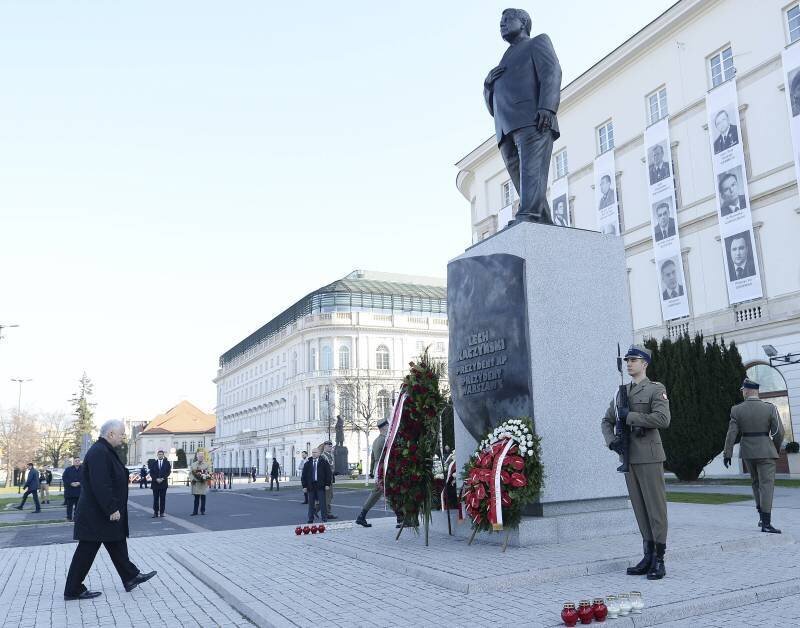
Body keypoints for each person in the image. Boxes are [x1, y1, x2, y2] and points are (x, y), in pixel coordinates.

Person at [483, 8, 562, 224]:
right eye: (501, 21)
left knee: (531, 170)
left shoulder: (537, 42)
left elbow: (552, 71)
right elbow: (493, 105)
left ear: (524, 22)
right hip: (505, 127)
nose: (502, 24)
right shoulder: (504, 58)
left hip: (532, 120)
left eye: (508, 20)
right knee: (522, 177)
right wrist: (488, 84)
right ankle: (540, 217)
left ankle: (529, 213)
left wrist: (547, 106)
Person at [63, 419, 156, 600]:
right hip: (97, 514)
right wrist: (111, 508)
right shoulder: (99, 451)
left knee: (116, 541)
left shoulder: (104, 450)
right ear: (111, 434)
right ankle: (73, 589)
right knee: (87, 551)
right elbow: (101, 484)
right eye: (121, 434)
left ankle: (130, 577)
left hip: (99, 513)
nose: (123, 438)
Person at [601, 345, 671, 580]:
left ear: (645, 364)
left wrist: (630, 416)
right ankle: (648, 555)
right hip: (629, 457)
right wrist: (612, 442)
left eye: (634, 360)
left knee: (655, 508)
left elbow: (663, 419)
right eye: (627, 360)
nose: (629, 363)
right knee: (640, 509)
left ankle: (659, 559)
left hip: (650, 457)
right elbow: (606, 421)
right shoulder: (621, 392)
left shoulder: (655, 389)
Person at [723, 378, 784, 534]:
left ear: (749, 390)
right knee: (767, 485)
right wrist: (775, 449)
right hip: (766, 450)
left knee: (756, 483)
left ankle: (761, 518)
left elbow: (732, 434)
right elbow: (779, 433)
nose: (742, 392)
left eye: (743, 390)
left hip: (748, 452)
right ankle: (766, 523)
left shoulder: (736, 409)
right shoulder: (770, 408)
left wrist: (727, 453)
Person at [356, 419, 389, 527]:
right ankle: (361, 516)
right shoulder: (384, 440)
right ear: (384, 427)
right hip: (382, 469)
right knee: (379, 493)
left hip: (377, 468)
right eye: (388, 426)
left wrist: (371, 471)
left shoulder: (376, 440)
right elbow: (384, 456)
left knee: (385, 492)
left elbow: (372, 457)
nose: (389, 427)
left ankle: (400, 517)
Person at [301, 448, 331, 524]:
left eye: (315, 452)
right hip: (311, 486)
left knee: (322, 503)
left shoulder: (324, 462)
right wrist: (304, 486)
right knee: (311, 503)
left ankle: (324, 518)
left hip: (320, 485)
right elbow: (303, 476)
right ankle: (310, 518)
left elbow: (328, 474)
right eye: (313, 452)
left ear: (319, 453)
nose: (314, 454)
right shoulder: (307, 464)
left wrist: (327, 484)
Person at [148, 450, 171, 518]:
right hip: (155, 484)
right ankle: (155, 512)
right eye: (159, 454)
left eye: (161, 454)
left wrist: (163, 478)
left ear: (163, 455)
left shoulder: (167, 463)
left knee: (162, 499)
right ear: (157, 455)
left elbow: (168, 472)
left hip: (163, 484)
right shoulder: (154, 463)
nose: (160, 455)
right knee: (155, 499)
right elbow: (151, 473)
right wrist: (156, 479)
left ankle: (162, 512)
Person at [189, 450, 212, 516]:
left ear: (203, 457)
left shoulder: (206, 464)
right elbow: (190, 473)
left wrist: (204, 477)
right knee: (196, 498)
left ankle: (202, 511)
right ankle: (195, 511)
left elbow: (209, 473)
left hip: (203, 483)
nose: (200, 457)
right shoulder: (193, 464)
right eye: (199, 456)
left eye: (202, 456)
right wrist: (192, 479)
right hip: (196, 484)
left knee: (203, 498)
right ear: (197, 457)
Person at [321, 441, 337, 519]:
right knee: (327, 496)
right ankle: (326, 513)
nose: (330, 448)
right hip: (326, 479)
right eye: (329, 446)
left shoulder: (330, 455)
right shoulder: (323, 456)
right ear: (325, 447)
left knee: (330, 496)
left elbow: (332, 466)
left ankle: (325, 512)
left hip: (330, 478)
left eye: (331, 446)